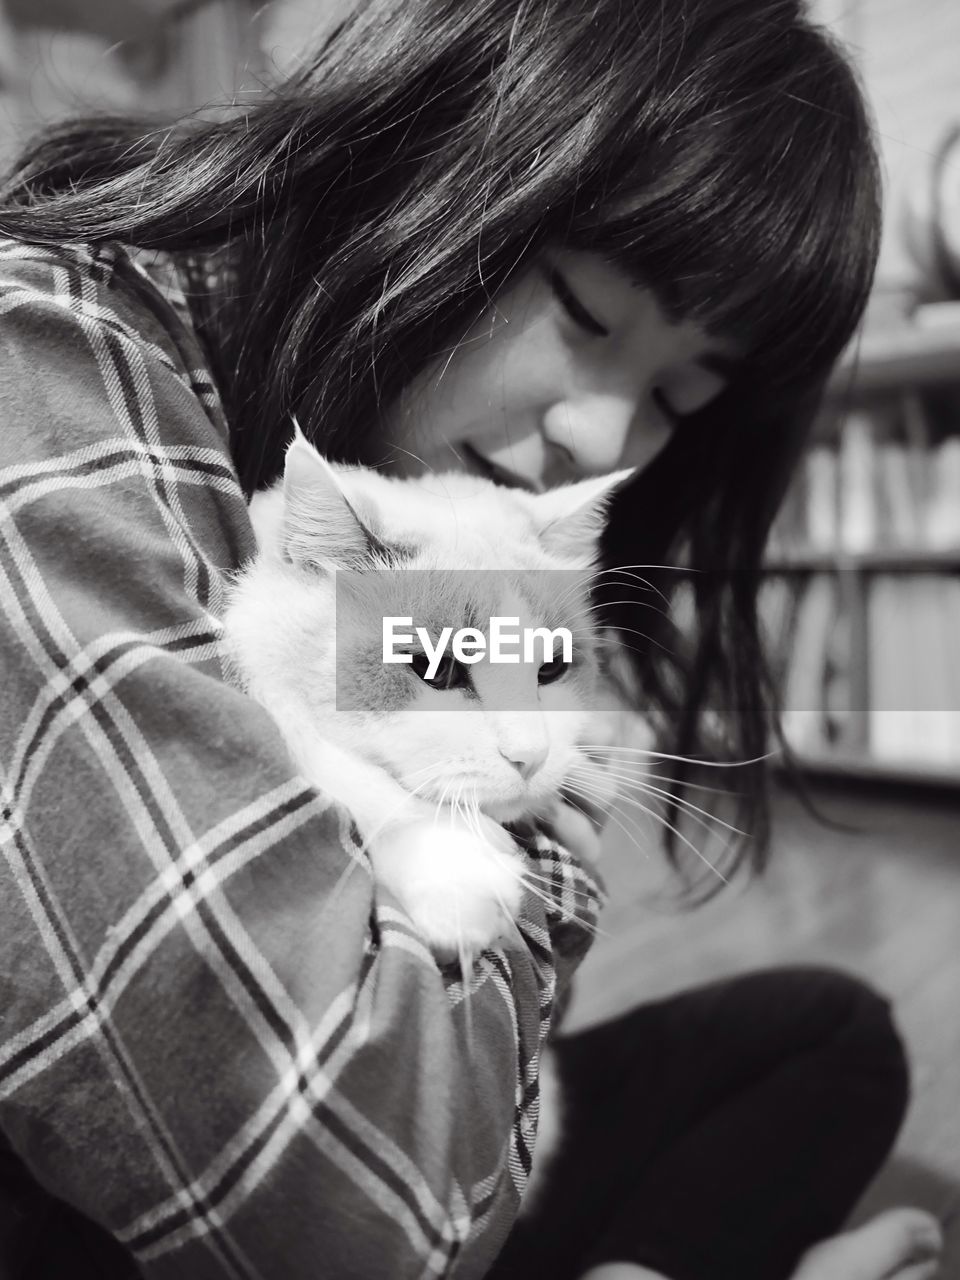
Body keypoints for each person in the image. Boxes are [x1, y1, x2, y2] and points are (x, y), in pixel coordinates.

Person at [0, 0, 945, 1277]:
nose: (608, 440)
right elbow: (347, 1193)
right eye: (587, 313)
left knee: (828, 1033)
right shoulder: (46, 360)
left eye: (678, 394)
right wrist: (528, 818)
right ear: (439, 155)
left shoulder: (429, 504)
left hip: (439, 1132)